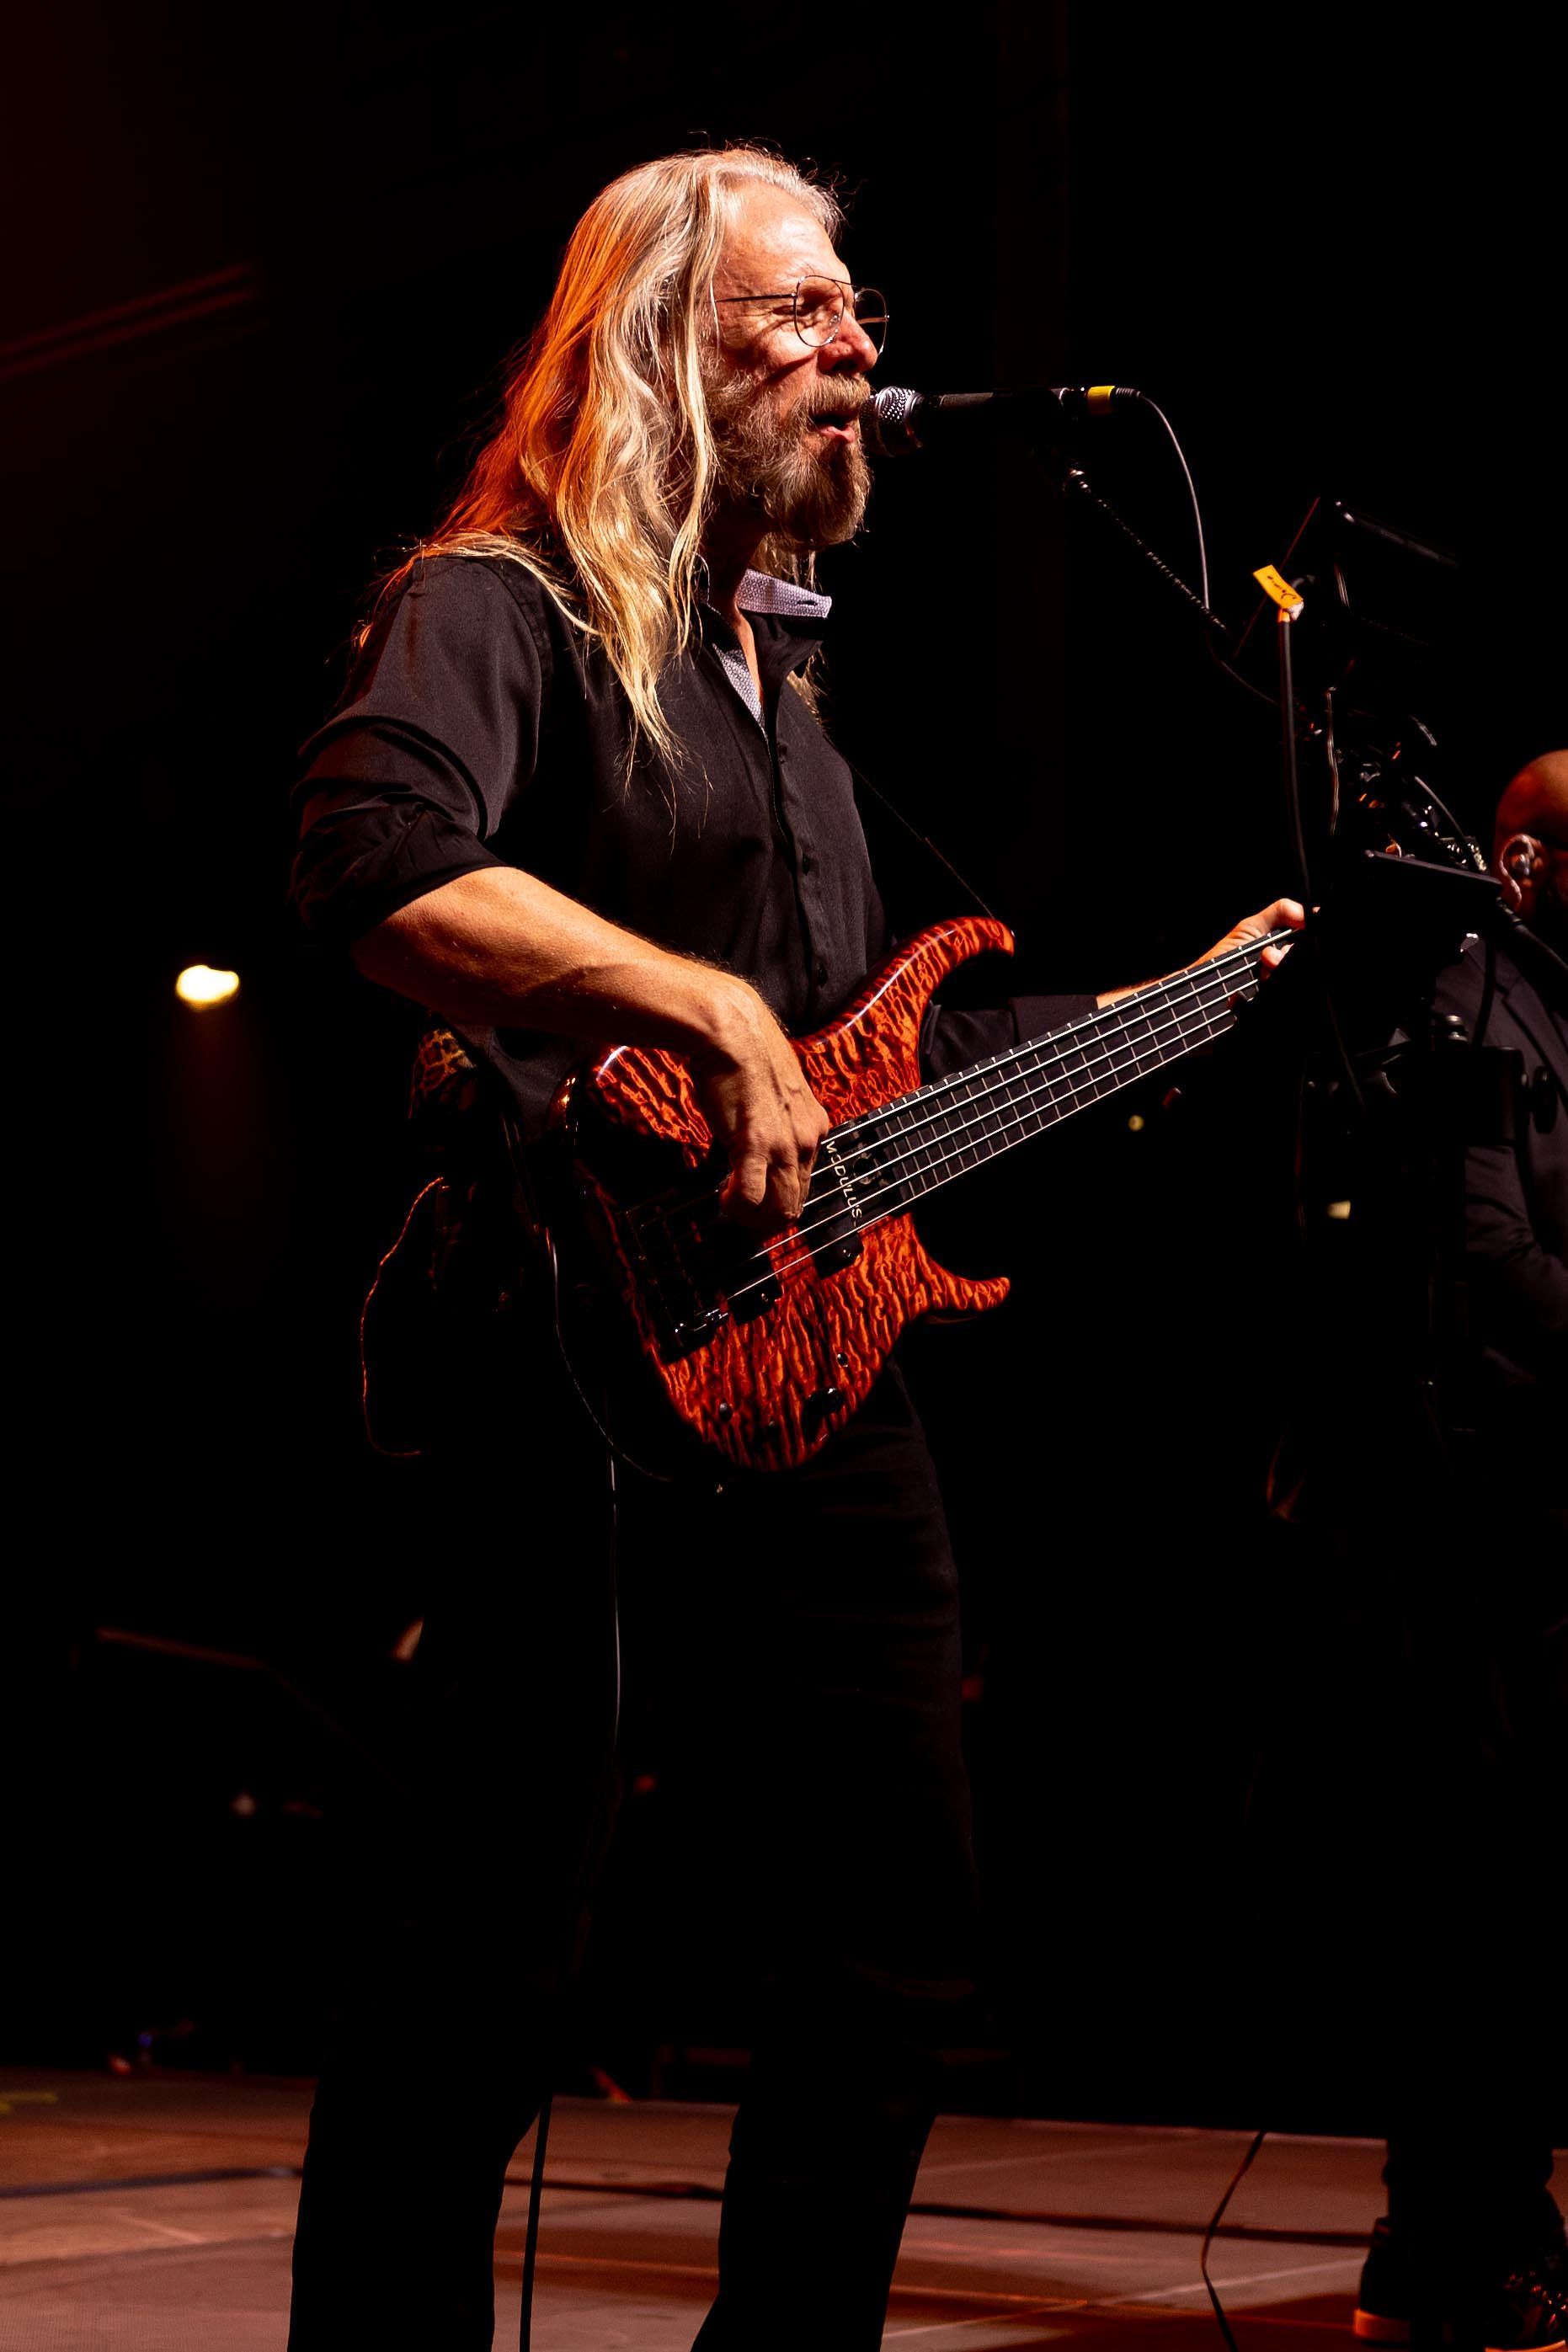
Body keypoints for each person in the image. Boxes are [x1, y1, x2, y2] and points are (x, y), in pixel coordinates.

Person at [285, 145, 1300, 2351]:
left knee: (892, 1937)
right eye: (802, 309)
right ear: (659, 344)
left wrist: (1203, 996)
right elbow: (374, 865)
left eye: (858, 306)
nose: (862, 345)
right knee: (493, 1950)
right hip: (566, 1340)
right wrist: (699, 1004)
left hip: (819, 1367)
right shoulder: (503, 599)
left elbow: (881, 1070)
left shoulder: (789, 702)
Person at [1352, 752, 1567, 2352]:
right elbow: (1485, 1257)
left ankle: (1457, 2235)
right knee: (1484, 1898)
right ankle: (1458, 2238)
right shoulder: (1467, 999)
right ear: (1521, 860)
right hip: (1488, 1516)